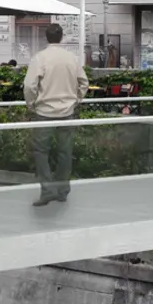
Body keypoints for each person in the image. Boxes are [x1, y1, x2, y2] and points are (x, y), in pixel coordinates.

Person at [25, 22, 88, 206]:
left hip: (44, 111)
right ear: (61, 37)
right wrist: (76, 99)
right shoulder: (71, 58)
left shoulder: (40, 58)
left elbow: (30, 85)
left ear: (46, 37)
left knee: (41, 151)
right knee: (65, 152)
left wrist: (31, 104)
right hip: (67, 111)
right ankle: (62, 190)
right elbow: (83, 82)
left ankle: (47, 191)